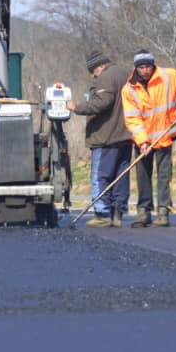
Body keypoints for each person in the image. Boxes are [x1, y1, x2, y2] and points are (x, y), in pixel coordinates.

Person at [120, 52, 176, 228]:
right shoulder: (129, 89)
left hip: (165, 134)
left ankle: (163, 211)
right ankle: (143, 212)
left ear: (153, 65)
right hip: (143, 141)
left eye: (148, 66)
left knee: (164, 175)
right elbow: (132, 118)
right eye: (141, 67)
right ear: (136, 68)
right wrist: (143, 142)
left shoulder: (168, 76)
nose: (145, 71)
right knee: (143, 176)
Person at [69, 50, 133, 228]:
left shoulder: (106, 76)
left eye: (93, 71)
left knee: (101, 175)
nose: (92, 76)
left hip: (106, 136)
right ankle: (118, 211)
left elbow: (102, 102)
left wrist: (77, 107)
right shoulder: (124, 74)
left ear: (100, 66)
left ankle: (102, 212)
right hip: (125, 135)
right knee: (121, 175)